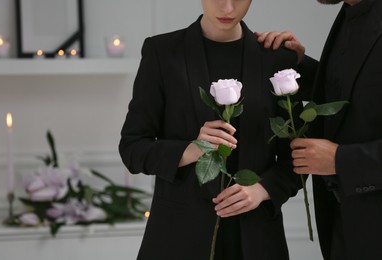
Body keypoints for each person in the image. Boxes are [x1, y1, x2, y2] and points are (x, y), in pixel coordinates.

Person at [119, 0, 304, 259]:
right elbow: (132, 148)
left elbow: (298, 156)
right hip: (177, 239)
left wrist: (262, 189)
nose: (227, 8)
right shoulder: (162, 52)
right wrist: (189, 150)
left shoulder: (278, 59)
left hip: (256, 240)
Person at [257, 0, 382, 259]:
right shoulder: (349, 12)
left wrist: (341, 161)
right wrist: (298, 66)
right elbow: (355, 95)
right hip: (346, 229)